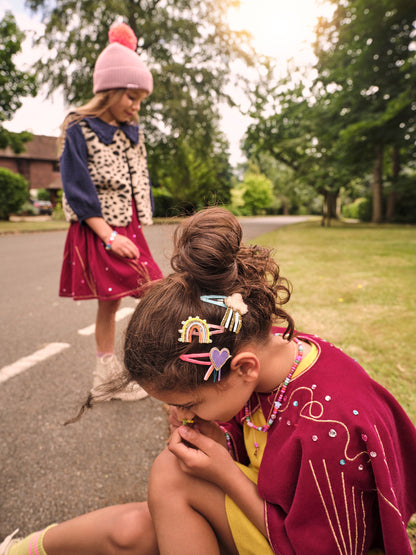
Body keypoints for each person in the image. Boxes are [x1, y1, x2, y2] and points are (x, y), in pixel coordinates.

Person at [2, 207, 416, 554]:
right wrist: (222, 439)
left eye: (189, 403)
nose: (179, 414)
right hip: (273, 517)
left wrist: (226, 472)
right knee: (135, 530)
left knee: (169, 476)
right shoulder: (272, 360)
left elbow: (325, 547)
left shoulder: (327, 425)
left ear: (243, 369)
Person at [57, 22, 163, 401]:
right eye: (131, 97)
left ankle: (108, 378)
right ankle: (116, 375)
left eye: (139, 100)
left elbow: (140, 181)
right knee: (154, 293)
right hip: (101, 227)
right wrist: (110, 236)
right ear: (111, 89)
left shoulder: (131, 130)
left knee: (116, 302)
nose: (135, 107)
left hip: (128, 225)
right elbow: (77, 190)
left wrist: (135, 224)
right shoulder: (78, 128)